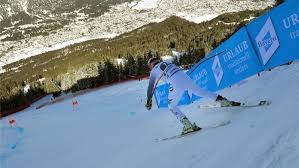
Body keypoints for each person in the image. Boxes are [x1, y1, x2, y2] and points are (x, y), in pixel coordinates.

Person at [145, 57, 241, 135]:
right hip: (185, 77)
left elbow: (150, 88)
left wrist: (149, 100)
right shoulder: (167, 63)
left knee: (171, 105)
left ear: (151, 65)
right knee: (201, 92)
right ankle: (223, 101)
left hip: (174, 81)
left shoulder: (154, 70)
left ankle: (188, 126)